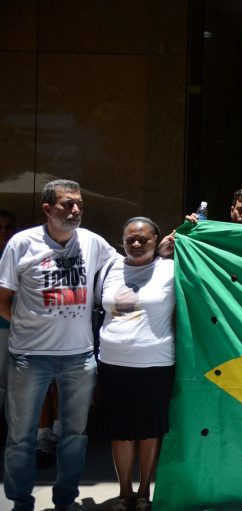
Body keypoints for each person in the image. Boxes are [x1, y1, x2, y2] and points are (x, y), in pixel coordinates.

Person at [0, 179, 116, 511]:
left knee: (75, 438)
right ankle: (21, 502)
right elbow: (2, 298)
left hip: (78, 359)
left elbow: (129, 261)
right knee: (21, 438)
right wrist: (26, 327)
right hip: (29, 357)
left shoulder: (92, 242)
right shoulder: (22, 243)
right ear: (48, 209)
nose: (76, 210)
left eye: (79, 203)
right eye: (68, 204)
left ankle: (65, 500)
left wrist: (166, 247)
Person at [97, 217, 175, 511]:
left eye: (144, 239)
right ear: (122, 241)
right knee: (121, 431)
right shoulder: (110, 267)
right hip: (113, 364)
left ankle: (143, 493)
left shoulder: (171, 269)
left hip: (155, 364)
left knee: (149, 431)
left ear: (157, 241)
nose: (137, 243)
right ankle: (123, 492)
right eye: (130, 239)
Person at [0, 209, 16, 411]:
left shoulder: (17, 253)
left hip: (10, 325)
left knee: (6, 378)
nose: (4, 231)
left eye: (8, 227)